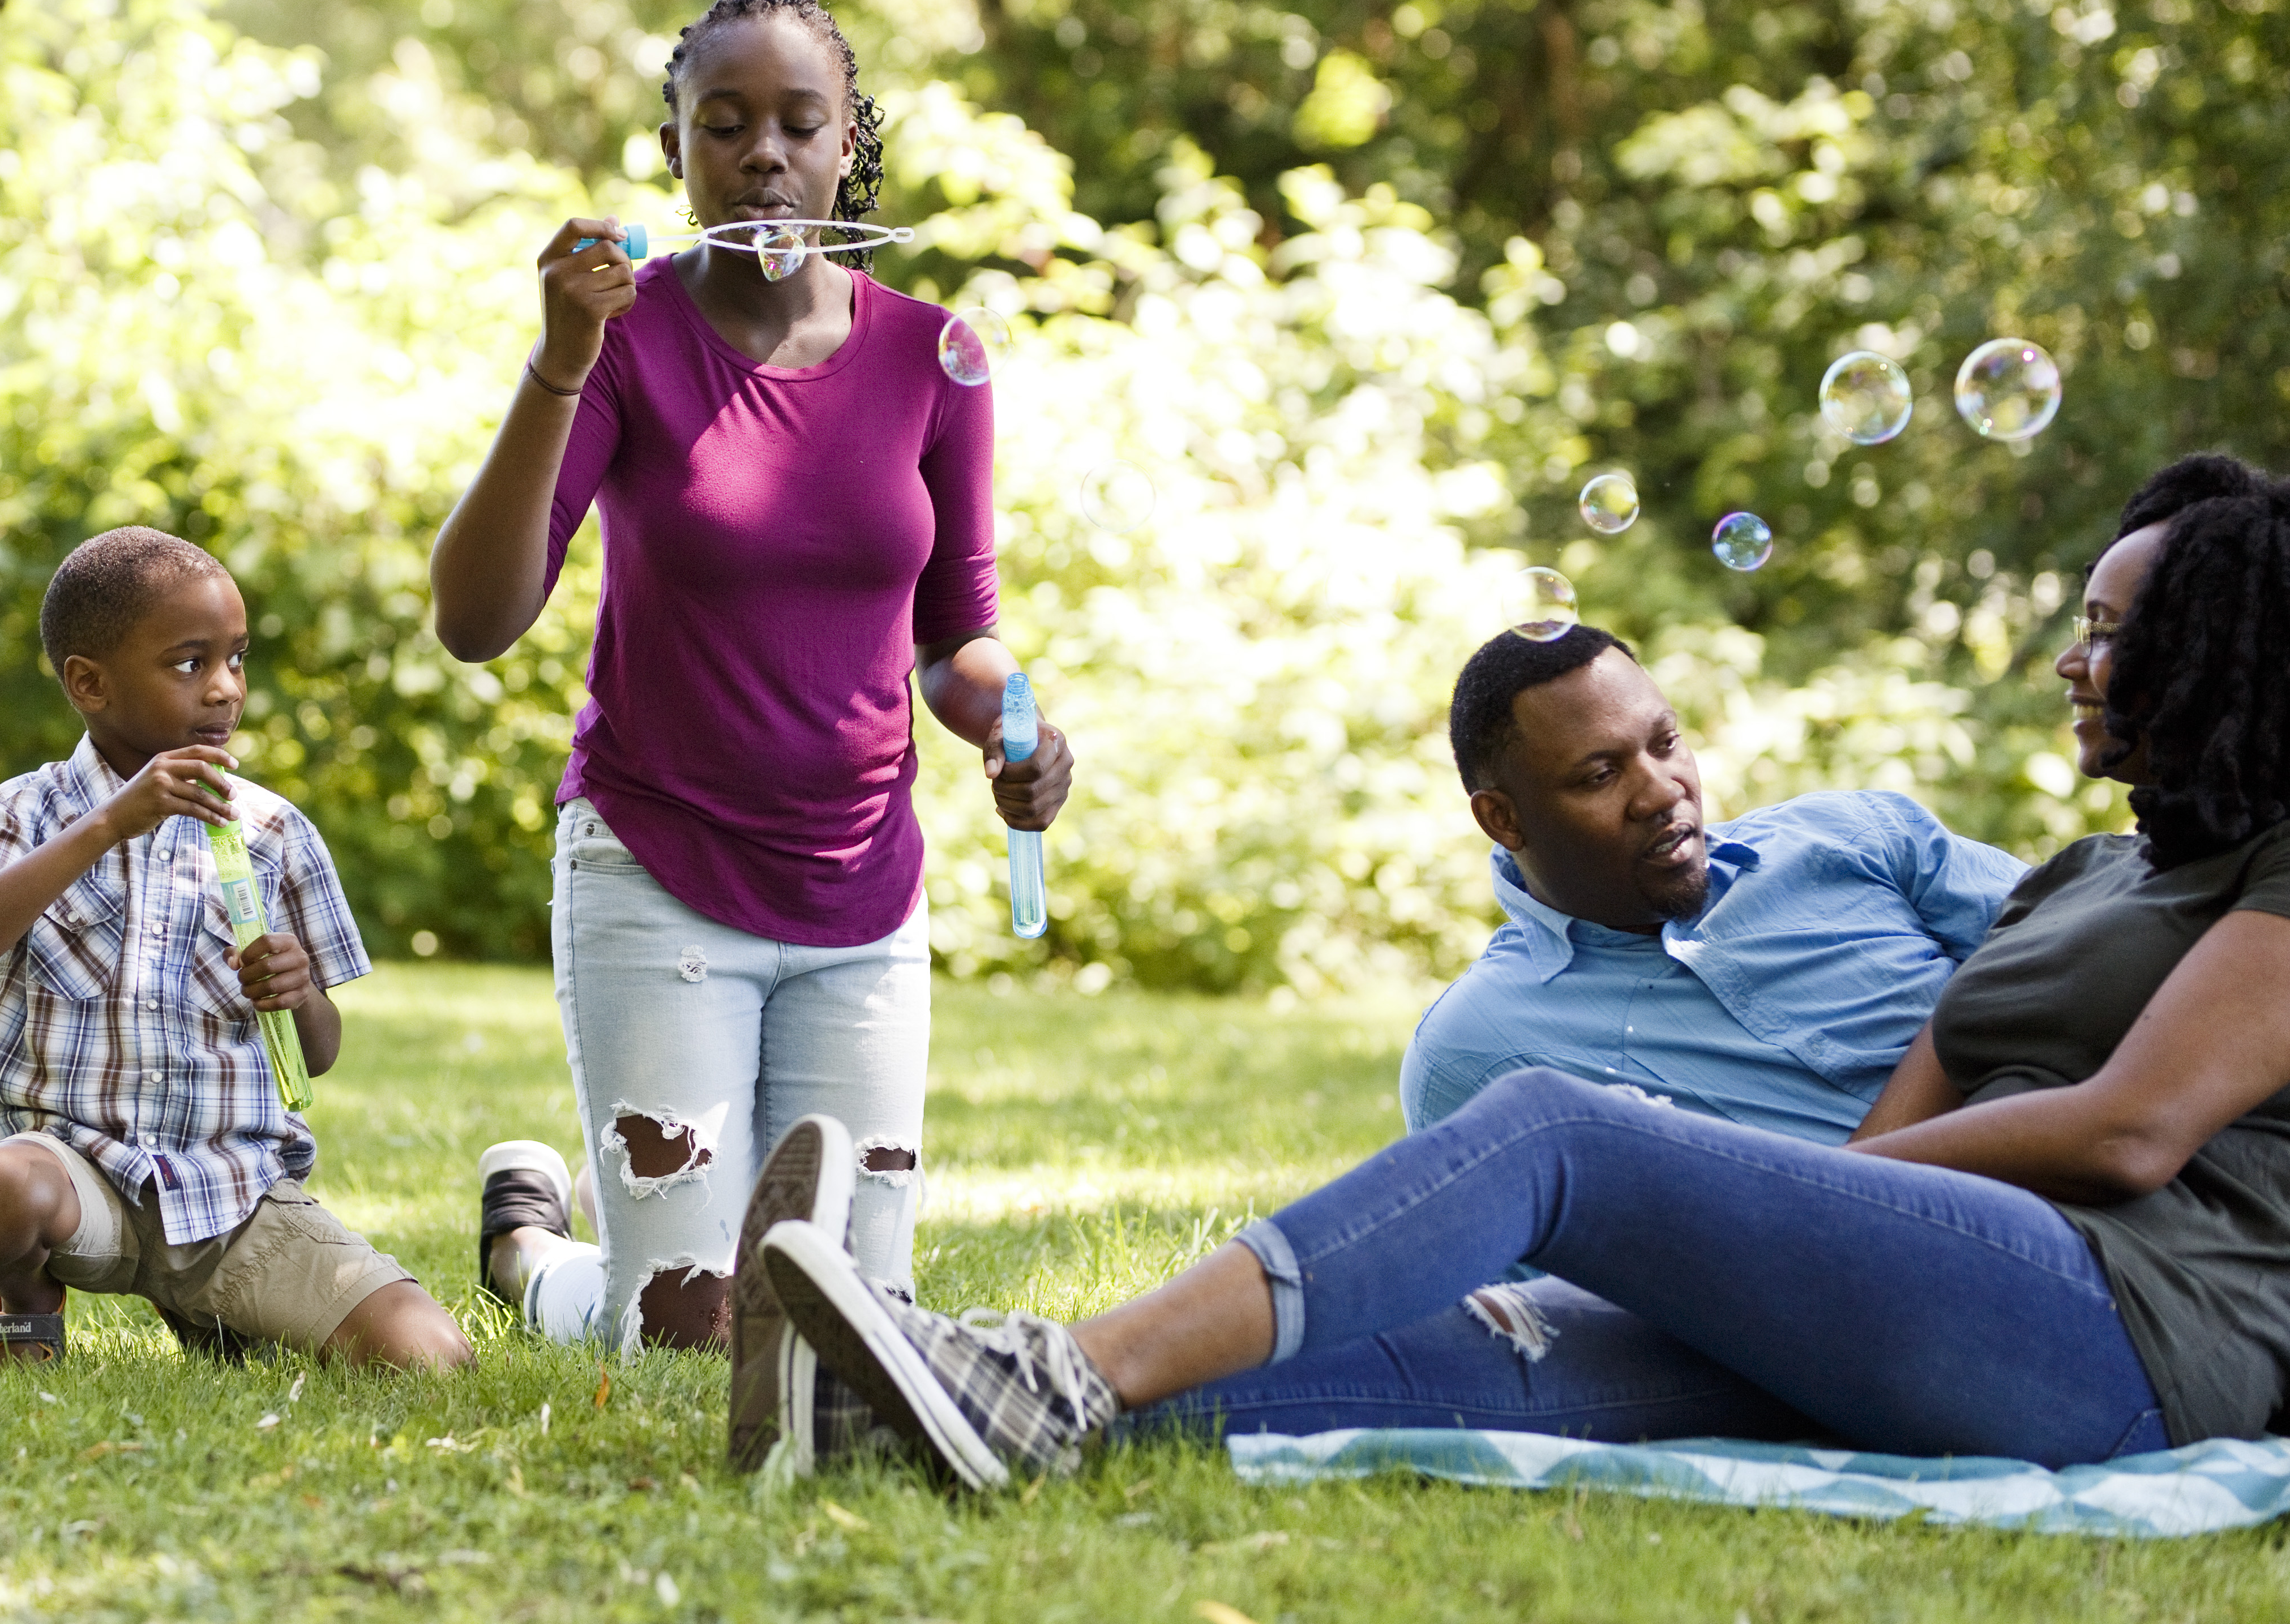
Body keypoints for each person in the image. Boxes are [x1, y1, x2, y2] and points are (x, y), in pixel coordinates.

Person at [754, 460, 2290, 1485]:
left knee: (1565, 1131)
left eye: (2107, 632)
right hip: (1929, 1289)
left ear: (2217, 654)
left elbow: (2130, 1130)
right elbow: (1913, 1109)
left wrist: (1782, 1194)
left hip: (2133, 1329)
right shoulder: (2090, 876)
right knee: (1520, 1347)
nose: (2074, 661)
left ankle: (1053, 1373)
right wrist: (1798, 1226)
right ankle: (879, 1418)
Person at [424, 0, 1071, 1470]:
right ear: (676, 150)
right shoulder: (628, 340)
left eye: (799, 123)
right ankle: (534, 1256)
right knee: (692, 1328)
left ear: (851, 147)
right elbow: (476, 617)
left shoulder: (934, 357)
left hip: (862, 891)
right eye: (725, 125)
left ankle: (576, 1236)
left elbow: (955, 632)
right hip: (659, 874)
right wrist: (559, 355)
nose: (764, 154)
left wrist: (1009, 722)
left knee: (864, 1317)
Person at [0, 527, 469, 1373]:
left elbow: (317, 1057)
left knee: (431, 1360)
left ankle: (217, 1315)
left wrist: (302, 996)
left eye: (238, 659)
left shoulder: (274, 835)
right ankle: (30, 1303)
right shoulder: (20, 816)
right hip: (78, 1181)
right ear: (89, 683)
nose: (225, 690)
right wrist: (111, 824)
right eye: (189, 664)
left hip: (234, 1200)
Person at [1403, 625, 2027, 1142]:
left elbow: (2086, 949)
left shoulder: (1858, 837)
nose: (1662, 790)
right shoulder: (1477, 1050)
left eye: (1666, 743)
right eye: (1600, 775)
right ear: (1503, 819)